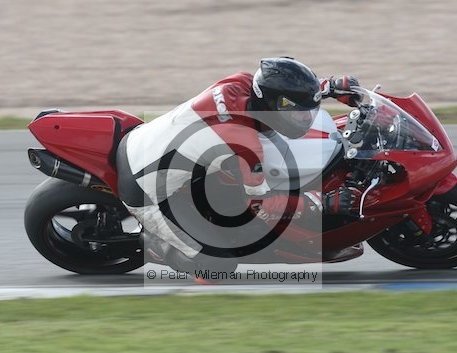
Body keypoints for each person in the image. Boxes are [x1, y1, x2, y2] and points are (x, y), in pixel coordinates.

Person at [116, 57, 363, 279]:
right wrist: (317, 203)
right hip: (145, 190)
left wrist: (328, 87)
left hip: (146, 140)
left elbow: (283, 88)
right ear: (271, 106)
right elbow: (259, 205)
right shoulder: (244, 143)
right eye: (296, 113)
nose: (304, 118)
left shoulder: (244, 82)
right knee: (216, 266)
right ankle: (153, 242)